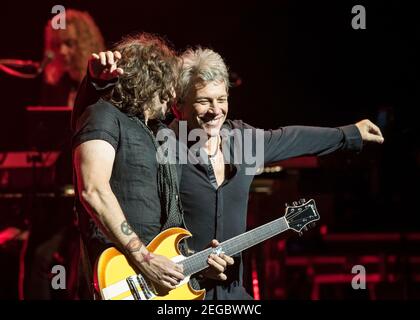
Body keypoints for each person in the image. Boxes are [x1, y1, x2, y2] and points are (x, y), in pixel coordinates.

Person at [78, 47, 384, 300]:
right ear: (178, 105)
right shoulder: (161, 144)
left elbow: (292, 137)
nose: (215, 110)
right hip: (175, 292)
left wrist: (349, 134)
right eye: (203, 101)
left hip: (232, 293)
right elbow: (106, 131)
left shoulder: (243, 142)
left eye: (221, 100)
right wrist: (95, 83)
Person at [72, 33, 231, 299]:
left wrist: (196, 264)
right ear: (151, 79)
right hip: (118, 271)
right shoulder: (103, 115)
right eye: (170, 84)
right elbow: (93, 190)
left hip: (154, 279)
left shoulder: (160, 134)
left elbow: (168, 224)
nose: (173, 95)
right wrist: (143, 258)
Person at [20, 9, 105, 300]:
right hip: (60, 188)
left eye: (69, 44)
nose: (63, 52)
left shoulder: (100, 87)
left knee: (85, 263)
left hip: (92, 188)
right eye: (57, 46)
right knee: (39, 256)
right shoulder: (52, 89)